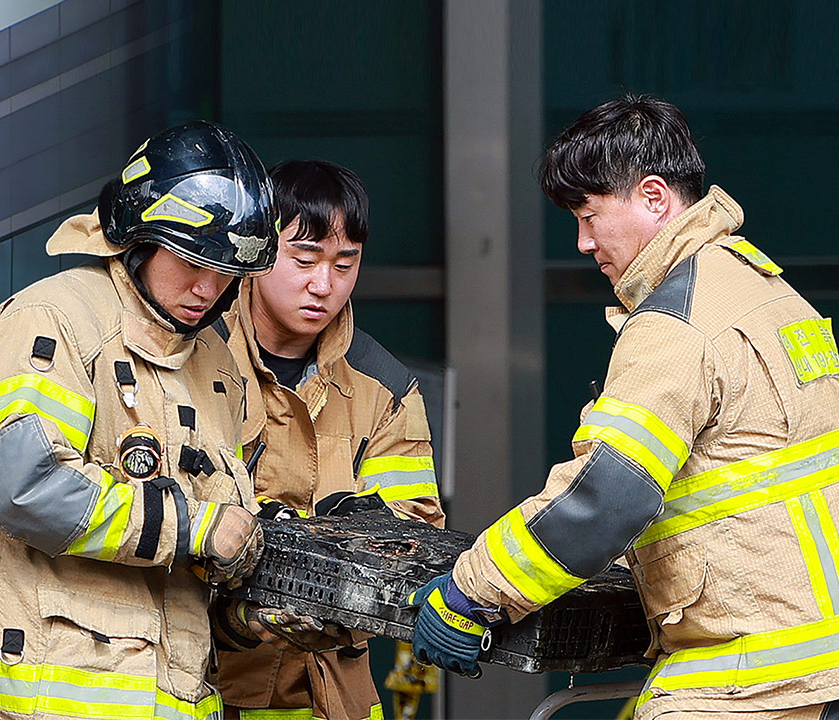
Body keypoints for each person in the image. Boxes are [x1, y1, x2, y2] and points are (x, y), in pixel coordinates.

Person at [408, 94, 839, 719]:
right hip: (815, 665)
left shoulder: (675, 324)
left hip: (747, 681)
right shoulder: (767, 289)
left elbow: (606, 497)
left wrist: (470, 592)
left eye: (589, 214)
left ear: (655, 198)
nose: (582, 242)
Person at [0, 120, 280, 720]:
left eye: (226, 275)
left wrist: (253, 609)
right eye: (190, 261)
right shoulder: (54, 320)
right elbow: (25, 488)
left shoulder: (218, 368)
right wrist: (193, 526)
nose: (206, 288)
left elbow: (206, 555)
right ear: (139, 236)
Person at [211, 160, 444, 720]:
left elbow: (414, 538)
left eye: (345, 263)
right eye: (305, 257)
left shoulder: (383, 387)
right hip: (209, 683)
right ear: (260, 249)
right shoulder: (194, 357)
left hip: (333, 698)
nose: (324, 284)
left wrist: (347, 564)